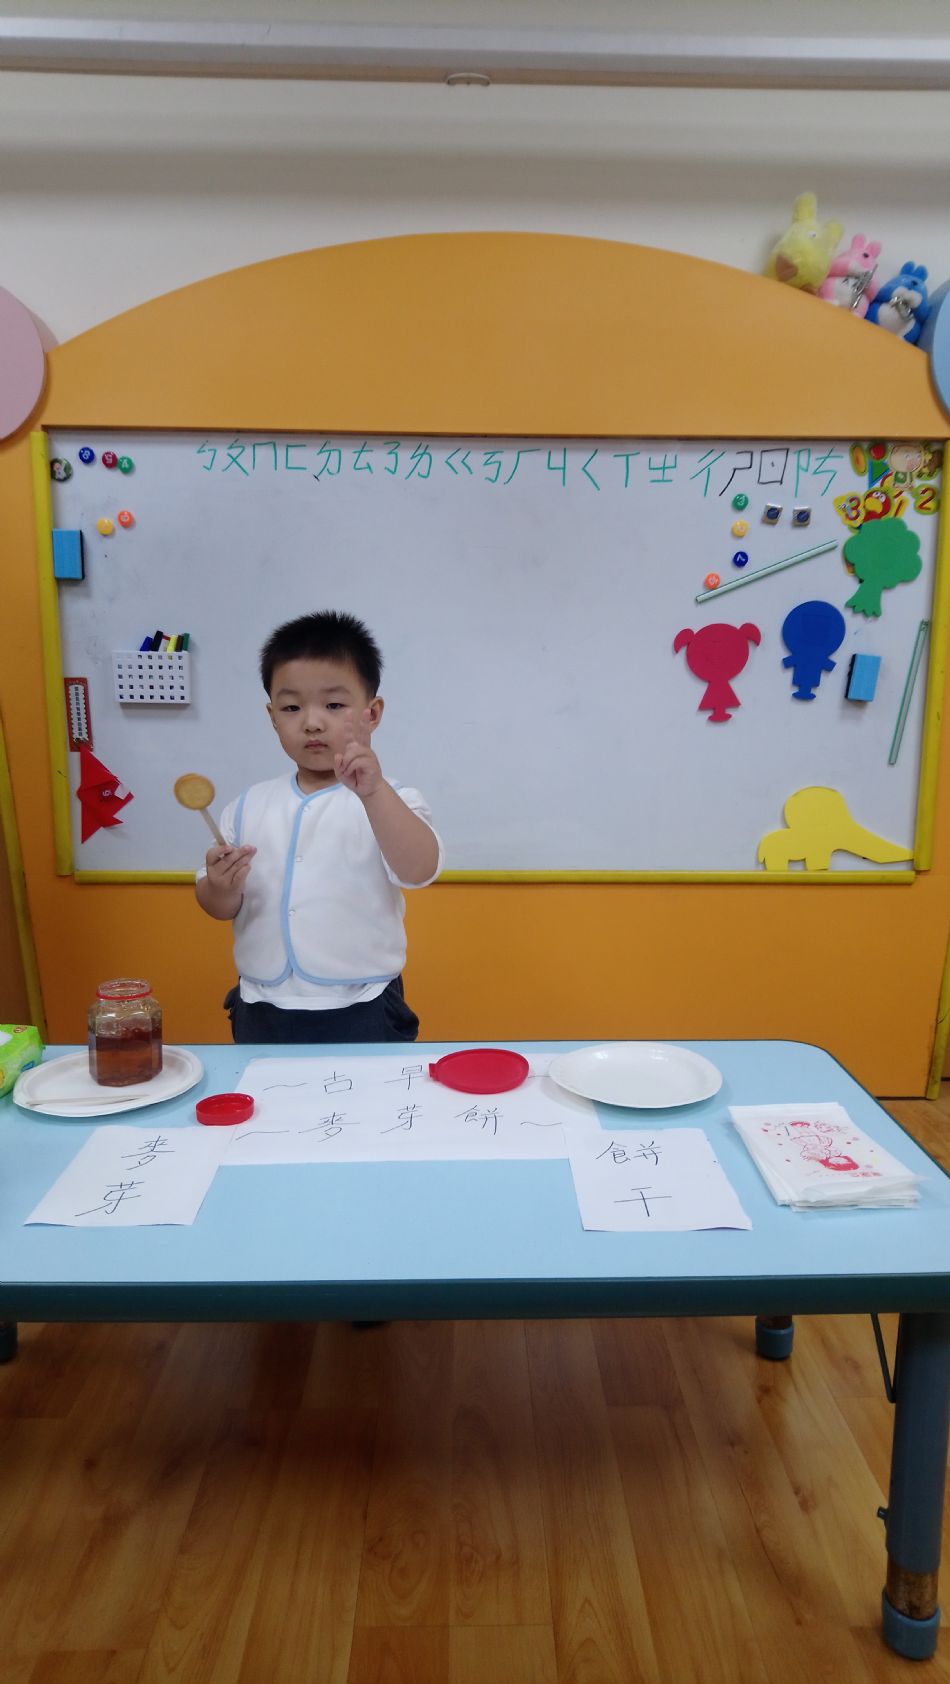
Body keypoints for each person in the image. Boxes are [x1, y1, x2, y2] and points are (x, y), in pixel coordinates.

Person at [195, 610, 442, 1043]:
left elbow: (420, 871)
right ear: (273, 716)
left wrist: (374, 792)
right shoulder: (247, 805)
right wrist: (220, 886)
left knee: (370, 1091)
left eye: (333, 705)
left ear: (372, 713)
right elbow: (218, 907)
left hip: (364, 1003)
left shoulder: (392, 798)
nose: (311, 722)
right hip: (262, 1005)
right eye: (291, 707)